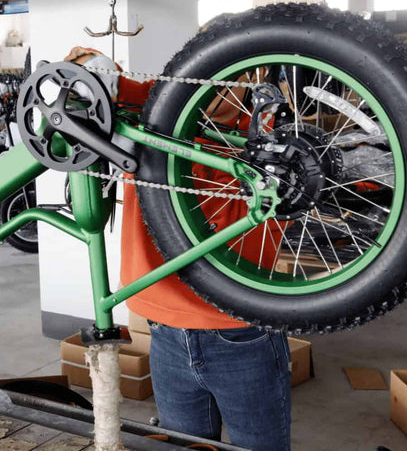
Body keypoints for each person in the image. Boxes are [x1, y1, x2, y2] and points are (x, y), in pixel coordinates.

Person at [117, 76, 291, 451]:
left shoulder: (270, 144)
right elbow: (88, 69)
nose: (226, 87)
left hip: (242, 331)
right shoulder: (152, 109)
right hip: (166, 332)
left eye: (242, 78)